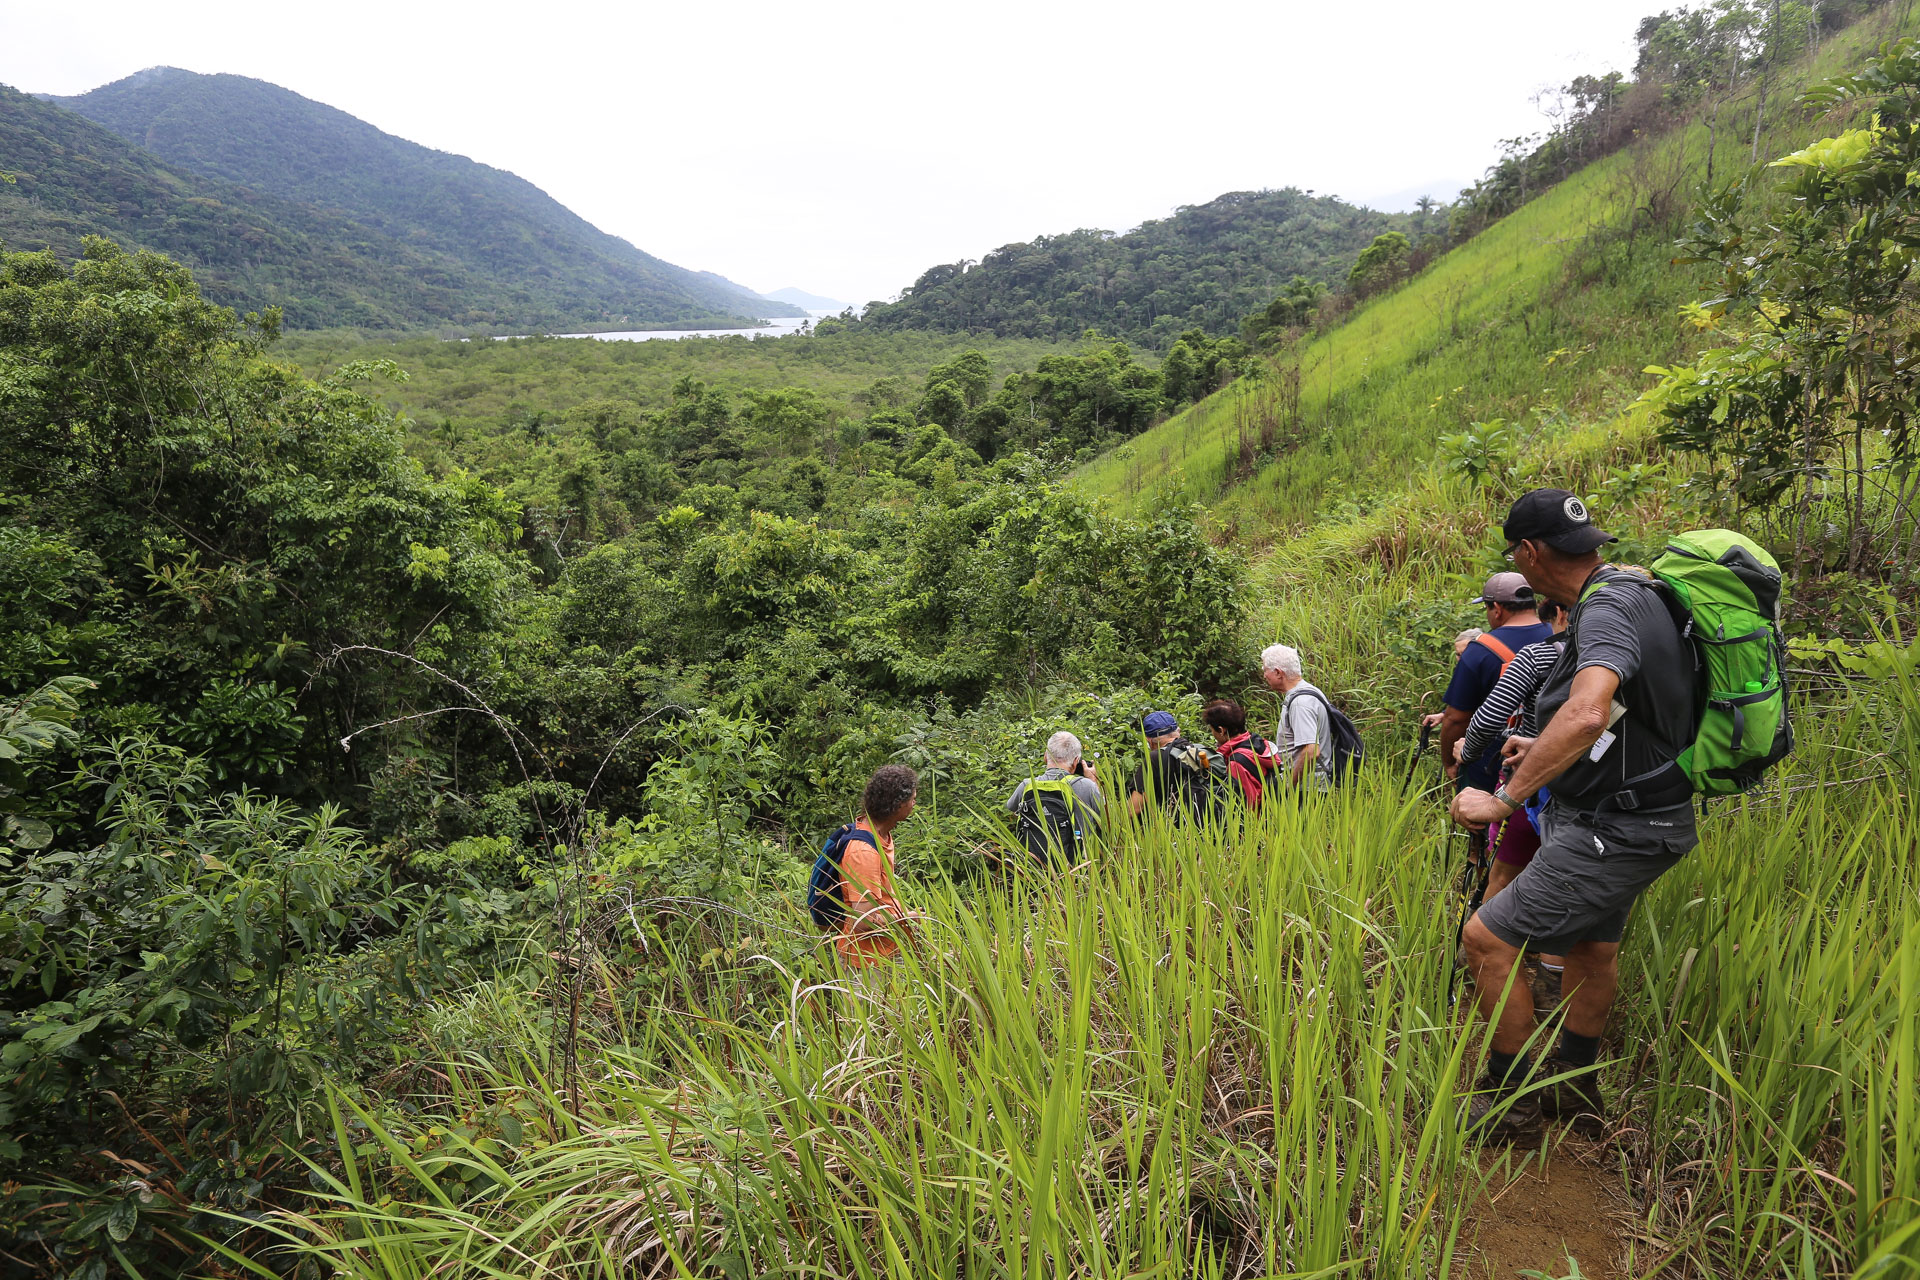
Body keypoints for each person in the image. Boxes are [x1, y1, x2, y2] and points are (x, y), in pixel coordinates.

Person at [1451, 489, 1699, 1142]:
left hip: (1615, 828)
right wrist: (1547, 748)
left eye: (1516, 553)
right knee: (1592, 947)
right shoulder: (1633, 591)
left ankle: (1513, 1107)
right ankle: (1574, 1087)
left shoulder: (1606, 610)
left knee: (1486, 940)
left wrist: (1503, 798)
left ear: (1530, 553)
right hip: (1640, 813)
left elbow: (1589, 710)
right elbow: (1628, 709)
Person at [1439, 574, 1553, 800]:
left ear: (1497, 609)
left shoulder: (1480, 650)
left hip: (1494, 761)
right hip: (1552, 752)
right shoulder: (1558, 635)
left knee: (1485, 824)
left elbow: (1457, 718)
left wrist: (1450, 762)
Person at [836, 764, 926, 968]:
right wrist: (905, 918)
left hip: (887, 951)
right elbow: (862, 921)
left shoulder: (880, 836)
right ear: (897, 805)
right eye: (912, 798)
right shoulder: (864, 852)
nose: (914, 801)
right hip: (865, 962)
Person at [1005, 730, 1104, 867]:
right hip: (1075, 871)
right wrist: (1094, 780)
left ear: (1046, 756)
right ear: (1076, 761)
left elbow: (1012, 809)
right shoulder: (1087, 787)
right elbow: (1109, 819)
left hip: (1033, 870)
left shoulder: (1027, 785)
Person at [1125, 711, 1228, 823]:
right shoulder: (1199, 750)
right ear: (1178, 731)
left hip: (1178, 832)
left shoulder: (1154, 758)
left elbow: (1134, 809)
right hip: (1214, 824)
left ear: (1148, 740)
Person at [1259, 644, 1334, 790]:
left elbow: (1312, 751)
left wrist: (1289, 785)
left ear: (1278, 673)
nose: (1264, 675)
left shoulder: (1301, 703)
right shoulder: (1311, 691)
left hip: (1307, 789)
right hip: (1311, 785)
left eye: (1265, 670)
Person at [1201, 698, 1280, 807]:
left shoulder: (1237, 762)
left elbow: (1248, 803)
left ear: (1221, 730)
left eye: (1212, 730)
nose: (1213, 733)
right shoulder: (1259, 743)